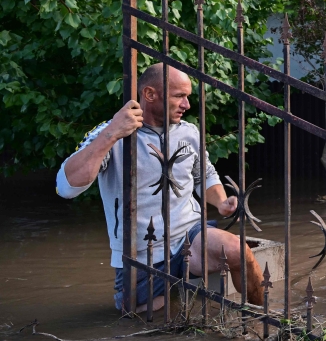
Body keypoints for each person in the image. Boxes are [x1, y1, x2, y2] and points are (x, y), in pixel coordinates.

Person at [57, 64, 264, 313]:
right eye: (179, 96)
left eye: (187, 96)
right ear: (150, 94)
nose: (187, 105)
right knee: (151, 321)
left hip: (189, 235)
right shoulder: (110, 134)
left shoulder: (189, 132)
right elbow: (66, 187)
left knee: (239, 251)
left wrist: (220, 201)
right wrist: (112, 133)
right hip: (141, 252)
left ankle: (264, 317)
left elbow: (204, 174)